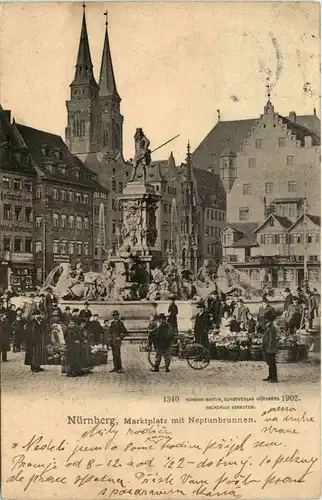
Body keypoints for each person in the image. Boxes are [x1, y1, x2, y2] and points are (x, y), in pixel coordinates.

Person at [262, 316, 278, 383]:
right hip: (268, 347)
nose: (263, 320)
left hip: (270, 348)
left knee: (272, 363)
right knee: (270, 363)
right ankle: (270, 376)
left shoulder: (271, 327)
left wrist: (269, 348)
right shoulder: (269, 326)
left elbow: (271, 339)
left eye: (265, 319)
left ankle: (274, 377)